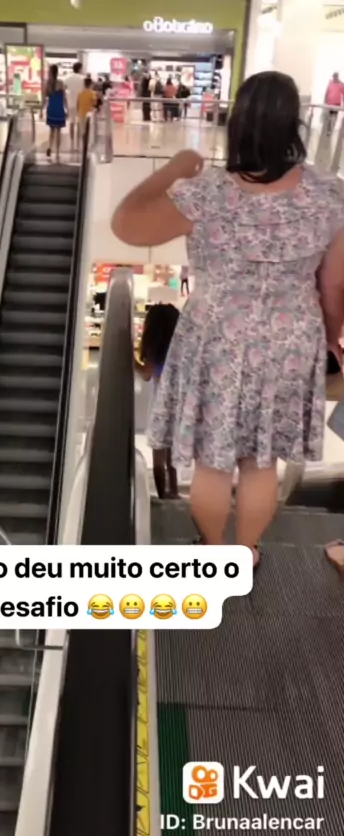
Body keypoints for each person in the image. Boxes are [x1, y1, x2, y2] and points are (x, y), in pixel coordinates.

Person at [112, 70, 344, 569]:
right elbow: (333, 284)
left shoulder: (207, 193)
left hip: (216, 337)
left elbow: (125, 222)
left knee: (213, 462)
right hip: (291, 338)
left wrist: (174, 168)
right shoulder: (330, 194)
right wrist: (330, 336)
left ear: (238, 122)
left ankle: (214, 553)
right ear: (295, 125)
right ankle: (246, 552)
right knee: (261, 461)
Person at [135, 304, 180, 499]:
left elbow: (146, 374)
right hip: (178, 404)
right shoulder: (179, 347)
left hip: (160, 404)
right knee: (172, 452)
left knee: (159, 452)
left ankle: (162, 494)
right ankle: (174, 491)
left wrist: (131, 360)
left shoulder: (155, 350)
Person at [45, 64, 67, 161]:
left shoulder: (48, 84)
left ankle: (50, 147)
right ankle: (57, 152)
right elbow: (64, 98)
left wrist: (41, 110)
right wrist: (67, 109)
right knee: (58, 131)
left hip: (51, 108)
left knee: (51, 131)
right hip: (59, 109)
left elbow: (44, 98)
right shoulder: (61, 83)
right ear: (57, 72)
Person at [65, 61, 85, 150]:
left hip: (70, 102)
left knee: (71, 122)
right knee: (80, 123)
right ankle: (78, 143)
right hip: (80, 103)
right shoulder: (83, 79)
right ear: (80, 69)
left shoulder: (67, 78)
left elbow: (65, 89)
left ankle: (72, 142)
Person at [77, 76, 96, 143]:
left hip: (81, 113)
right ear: (90, 84)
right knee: (88, 129)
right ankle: (87, 143)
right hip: (89, 113)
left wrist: (78, 112)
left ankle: (83, 142)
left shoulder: (80, 93)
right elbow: (94, 103)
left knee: (82, 130)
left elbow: (78, 104)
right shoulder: (92, 93)